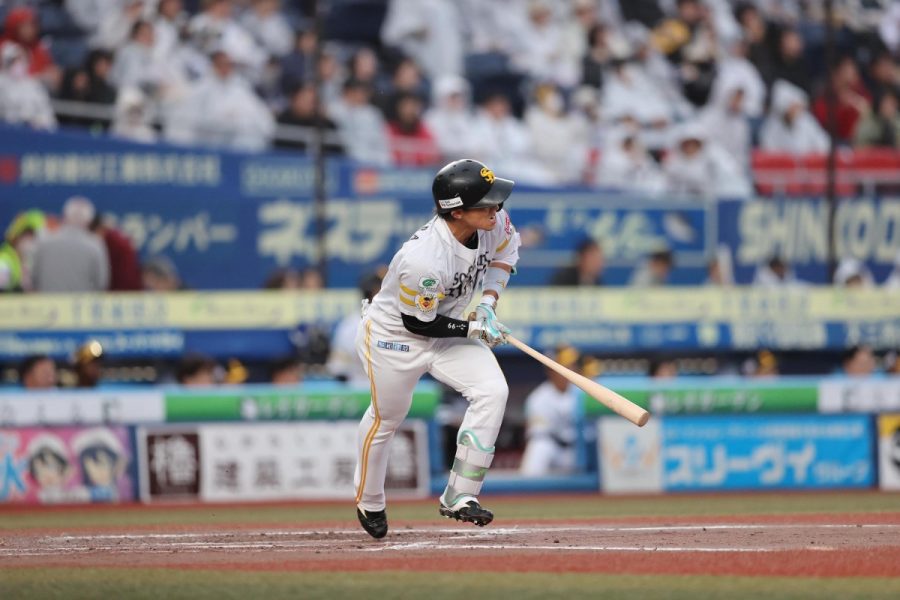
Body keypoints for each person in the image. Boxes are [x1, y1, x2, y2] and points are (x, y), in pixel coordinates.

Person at [354, 158, 520, 538]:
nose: (496, 208)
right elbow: (418, 323)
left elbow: (505, 255)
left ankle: (460, 495)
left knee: (493, 391)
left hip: (448, 329)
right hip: (395, 337)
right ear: (456, 211)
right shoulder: (424, 259)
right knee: (387, 418)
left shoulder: (495, 223)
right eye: (486, 203)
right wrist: (473, 328)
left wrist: (488, 304)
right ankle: (369, 498)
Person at [519, 345, 583, 477]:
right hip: (553, 448)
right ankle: (528, 485)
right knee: (540, 444)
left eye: (571, 366)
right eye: (564, 367)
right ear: (551, 370)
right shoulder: (538, 398)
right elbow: (536, 434)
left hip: (579, 448)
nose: (569, 371)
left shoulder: (583, 393)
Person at [32, 197, 110, 293]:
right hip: (81, 302)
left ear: (64, 217)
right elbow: (102, 283)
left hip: (48, 301)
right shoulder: (95, 245)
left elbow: (34, 278)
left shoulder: (45, 242)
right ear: (89, 221)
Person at [327, 271, 383, 386]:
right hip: (359, 389)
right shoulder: (350, 326)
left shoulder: (396, 322)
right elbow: (337, 369)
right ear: (373, 292)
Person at [90, 212, 143, 290]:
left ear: (99, 228)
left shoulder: (112, 242)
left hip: (123, 289)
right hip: (128, 287)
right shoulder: (115, 238)